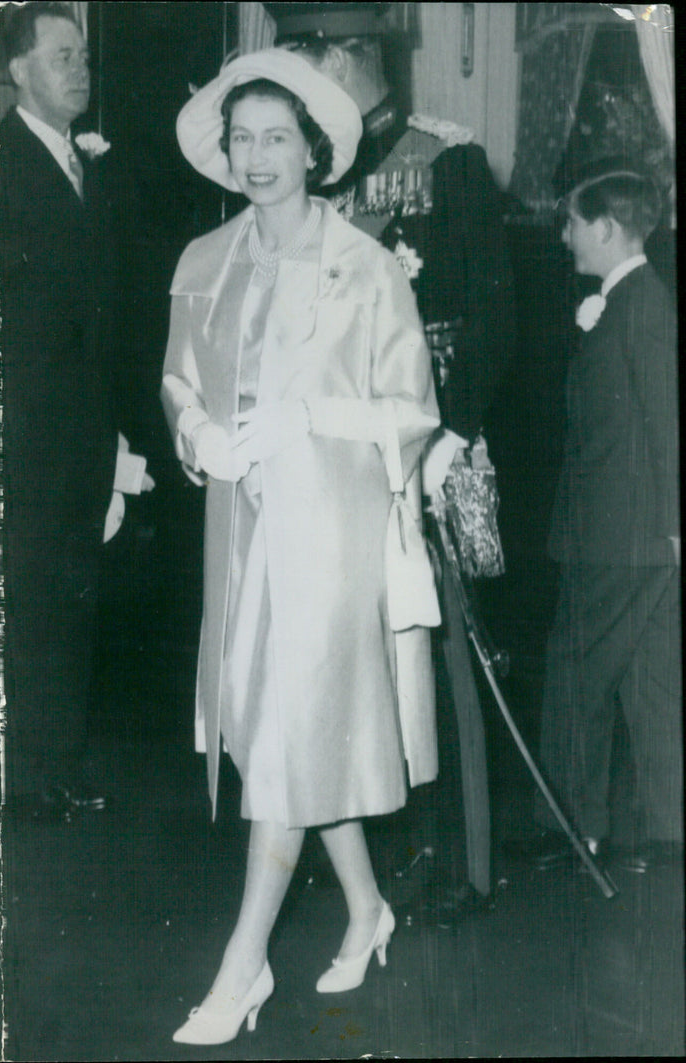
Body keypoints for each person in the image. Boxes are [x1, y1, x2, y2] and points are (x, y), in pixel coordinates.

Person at [161, 48, 440, 1045]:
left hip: (329, 532)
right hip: (237, 532)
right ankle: (366, 909)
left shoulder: (362, 269)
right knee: (286, 728)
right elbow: (179, 382)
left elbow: (409, 407)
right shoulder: (203, 261)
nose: (258, 155)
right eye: (242, 137)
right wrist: (194, 431)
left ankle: (242, 971)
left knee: (283, 736)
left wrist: (311, 415)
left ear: (312, 150)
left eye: (277, 136)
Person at [276, 15, 516, 918]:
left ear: (343, 57)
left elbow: (492, 320)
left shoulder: (445, 159)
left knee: (447, 657)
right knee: (352, 656)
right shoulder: (312, 171)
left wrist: (447, 437)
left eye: (302, 57)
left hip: (430, 450)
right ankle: (370, 856)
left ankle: (464, 863)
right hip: (338, 456)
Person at [0, 2, 152, 819]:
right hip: (27, 432)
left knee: (74, 596)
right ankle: (20, 775)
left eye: (84, 54)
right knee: (29, 601)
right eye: (62, 55)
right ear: (18, 71)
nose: (81, 69)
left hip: (87, 430)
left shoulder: (96, 169)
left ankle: (56, 764)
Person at [528, 160, 681, 873]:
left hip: (621, 536)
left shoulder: (641, 306)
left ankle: (570, 827)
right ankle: (668, 830)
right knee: (649, 683)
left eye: (573, 223)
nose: (565, 236)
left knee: (574, 673)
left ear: (609, 228)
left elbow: (668, 423)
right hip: (641, 537)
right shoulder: (631, 304)